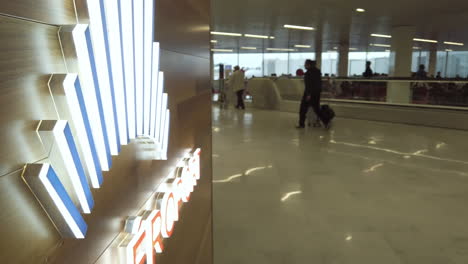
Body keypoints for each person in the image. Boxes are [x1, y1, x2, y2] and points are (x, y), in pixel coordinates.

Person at [297, 59, 322, 128]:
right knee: (317, 109)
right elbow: (318, 84)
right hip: (316, 94)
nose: (304, 65)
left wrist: (308, 95)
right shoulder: (316, 72)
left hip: (309, 94)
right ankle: (326, 120)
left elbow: (309, 85)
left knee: (303, 109)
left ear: (309, 65)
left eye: (305, 64)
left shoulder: (309, 73)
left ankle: (301, 124)